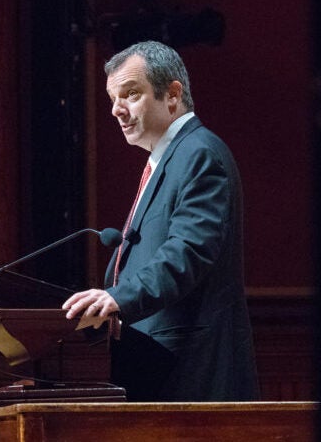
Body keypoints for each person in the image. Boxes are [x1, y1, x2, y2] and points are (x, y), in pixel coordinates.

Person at [62, 40, 258, 401]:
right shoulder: (170, 158)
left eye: (130, 94)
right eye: (112, 99)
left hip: (189, 372)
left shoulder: (199, 154)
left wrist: (117, 298)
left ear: (171, 95)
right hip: (154, 368)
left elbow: (188, 253)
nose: (116, 111)